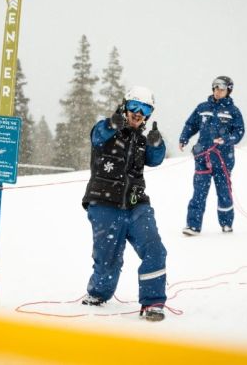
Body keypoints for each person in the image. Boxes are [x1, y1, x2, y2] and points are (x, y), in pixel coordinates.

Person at [81, 86, 168, 322]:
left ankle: (153, 303)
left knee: (155, 249)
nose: (138, 113)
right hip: (104, 202)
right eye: (134, 107)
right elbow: (96, 136)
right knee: (109, 258)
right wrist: (113, 124)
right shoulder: (106, 130)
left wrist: (157, 144)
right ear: (125, 106)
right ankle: (98, 294)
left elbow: (156, 160)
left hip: (136, 204)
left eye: (145, 109)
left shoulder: (142, 140)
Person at [179, 76, 245, 235]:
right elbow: (191, 124)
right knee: (199, 191)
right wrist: (184, 138)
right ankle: (193, 225)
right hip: (202, 156)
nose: (217, 91)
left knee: (224, 191)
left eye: (221, 89)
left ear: (228, 90)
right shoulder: (202, 107)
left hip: (223, 159)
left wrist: (226, 139)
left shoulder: (233, 111)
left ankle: (226, 223)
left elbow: (239, 132)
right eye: (215, 88)